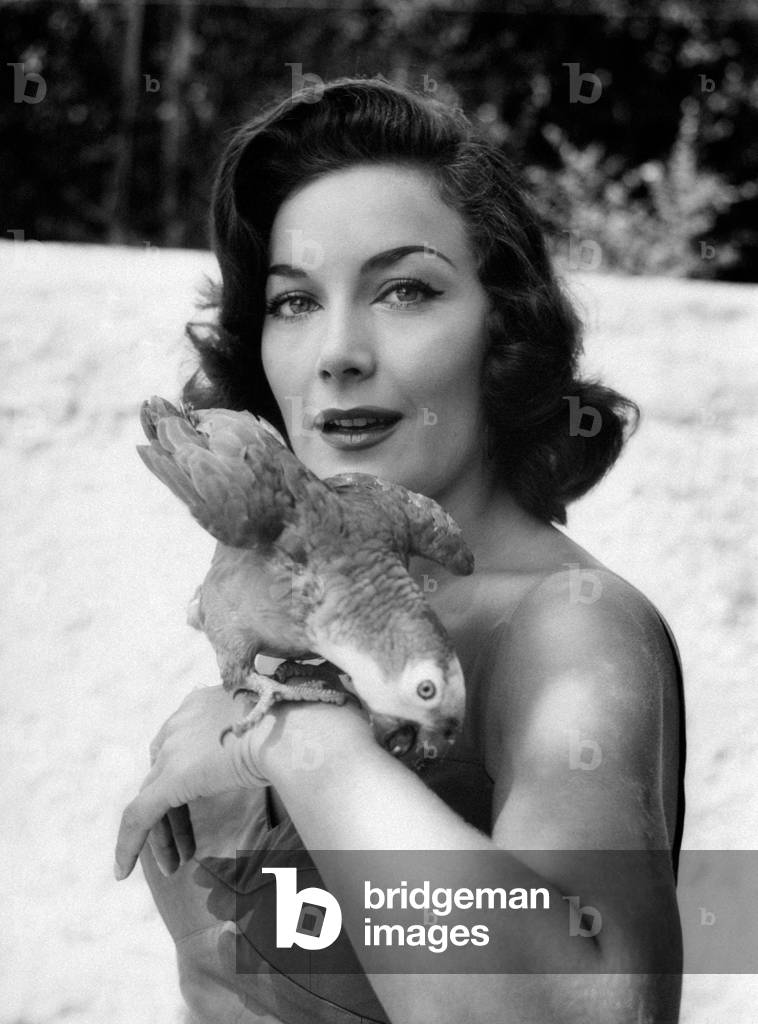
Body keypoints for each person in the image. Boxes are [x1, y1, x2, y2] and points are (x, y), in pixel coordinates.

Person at [114, 76, 686, 1024]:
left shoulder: (566, 628)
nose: (337, 350)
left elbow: (582, 1007)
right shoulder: (310, 592)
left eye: (405, 289)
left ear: (501, 325)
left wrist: (293, 739)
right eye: (294, 303)